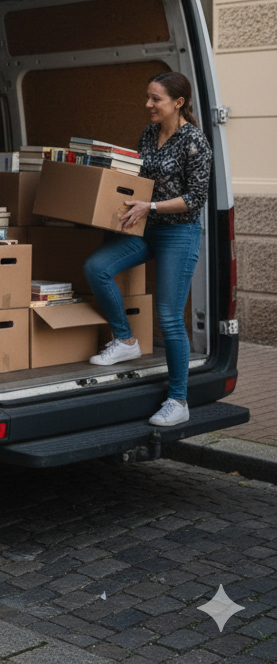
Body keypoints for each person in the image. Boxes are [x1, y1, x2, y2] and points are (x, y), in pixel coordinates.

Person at [83, 71, 213, 427]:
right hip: (143, 228)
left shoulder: (195, 142)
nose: (148, 105)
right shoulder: (149, 133)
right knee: (97, 267)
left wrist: (150, 207)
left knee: (170, 317)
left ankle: (178, 399)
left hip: (178, 233)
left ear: (178, 103)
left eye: (155, 99)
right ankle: (125, 339)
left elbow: (195, 199)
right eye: (148, 97)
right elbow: (139, 178)